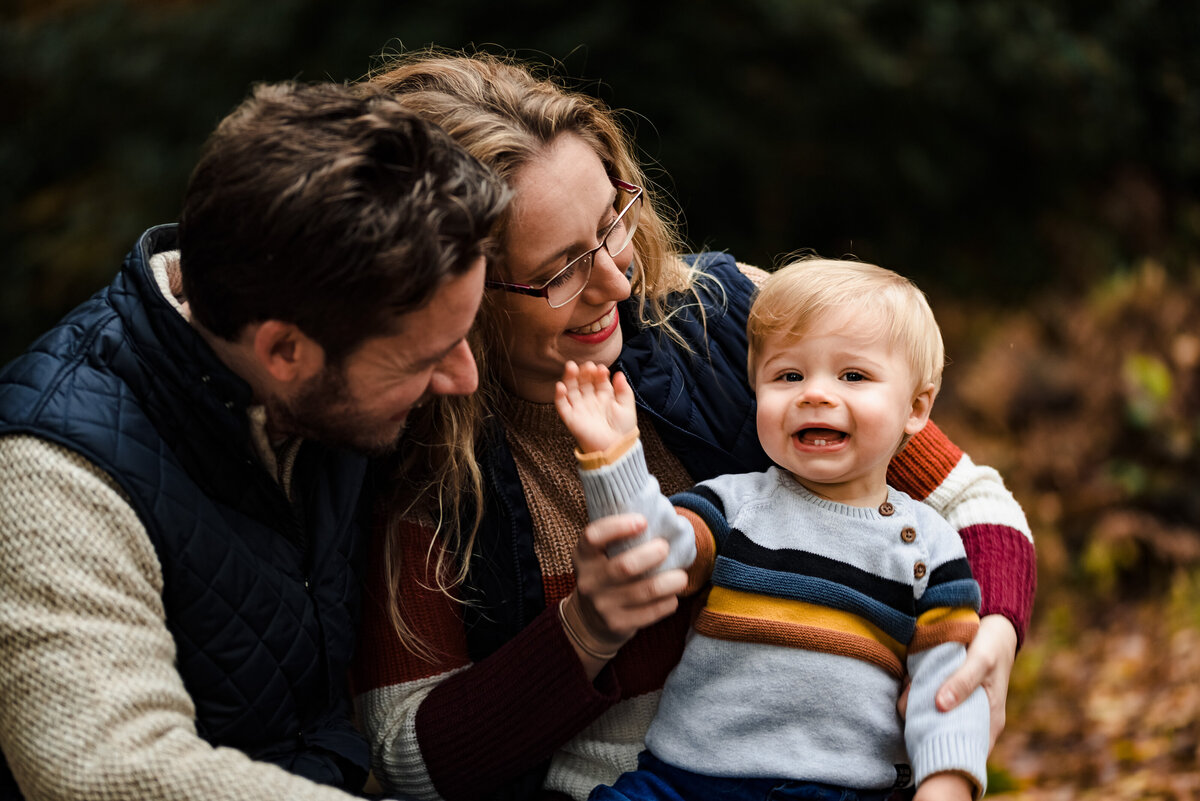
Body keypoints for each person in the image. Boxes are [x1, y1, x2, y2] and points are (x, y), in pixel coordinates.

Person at [351, 51, 1035, 801]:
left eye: (613, 219)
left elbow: (970, 505)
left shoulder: (740, 320)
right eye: (560, 270)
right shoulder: (419, 460)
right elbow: (405, 758)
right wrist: (584, 630)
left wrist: (992, 636)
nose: (618, 278)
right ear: (459, 295)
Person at [0, 80, 510, 801]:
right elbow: (103, 765)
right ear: (284, 352)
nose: (462, 378)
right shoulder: (54, 475)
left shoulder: (325, 337)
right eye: (426, 358)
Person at [556, 258, 988, 801]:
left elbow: (947, 687)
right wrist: (614, 458)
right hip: (685, 780)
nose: (815, 394)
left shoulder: (929, 545)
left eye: (852, 376)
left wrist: (945, 786)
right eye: (789, 376)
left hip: (837, 787)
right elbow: (652, 557)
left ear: (916, 407)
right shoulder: (732, 505)